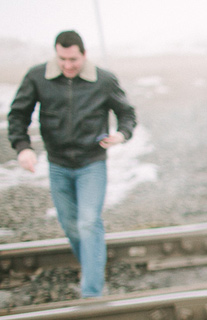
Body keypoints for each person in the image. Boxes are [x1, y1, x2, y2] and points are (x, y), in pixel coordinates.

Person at [7, 30, 136, 298]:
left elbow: (127, 112)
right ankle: (91, 267)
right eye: (62, 59)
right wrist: (23, 148)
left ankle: (92, 292)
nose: (67, 65)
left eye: (73, 59)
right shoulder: (38, 77)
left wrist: (122, 134)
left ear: (84, 55)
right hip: (58, 164)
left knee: (89, 222)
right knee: (70, 225)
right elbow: (18, 115)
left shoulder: (103, 80)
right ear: (56, 54)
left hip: (92, 163)